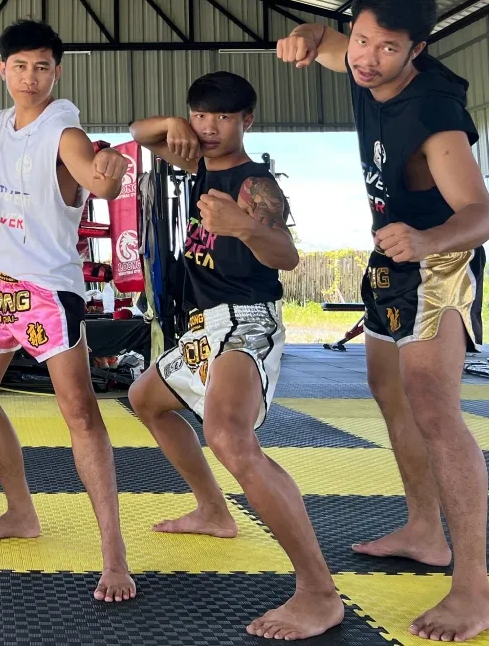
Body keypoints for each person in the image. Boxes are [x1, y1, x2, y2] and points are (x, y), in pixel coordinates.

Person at [277, 0, 489, 642]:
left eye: (384, 47)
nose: (365, 57)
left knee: (431, 400)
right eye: (362, 39)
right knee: (386, 386)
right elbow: (325, 40)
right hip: (391, 252)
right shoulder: (358, 55)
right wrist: (306, 38)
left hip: (438, 254)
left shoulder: (433, 117)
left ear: (416, 50)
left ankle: (473, 588)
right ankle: (424, 529)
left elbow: (482, 215)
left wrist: (427, 239)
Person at [127, 72, 345, 639]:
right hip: (203, 328)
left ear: (246, 121)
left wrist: (243, 225)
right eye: (199, 115)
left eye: (220, 117)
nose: (208, 127)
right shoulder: (195, 159)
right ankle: (213, 512)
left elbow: (288, 258)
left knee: (228, 437)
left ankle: (319, 592)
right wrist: (173, 125)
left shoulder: (255, 184)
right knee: (145, 400)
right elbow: (137, 131)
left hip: (247, 322)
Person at [0, 19, 137, 603]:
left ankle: (114, 554)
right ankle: (20, 511)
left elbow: (93, 178)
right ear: (2, 70)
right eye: (19, 66)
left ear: (57, 71)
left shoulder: (63, 127)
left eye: (41, 67)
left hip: (47, 290)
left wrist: (108, 175)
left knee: (80, 413)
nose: (30, 77)